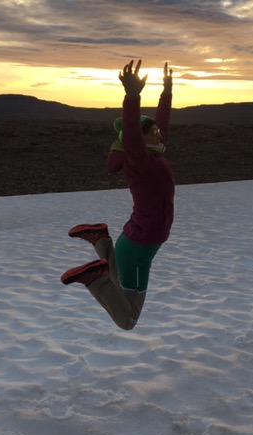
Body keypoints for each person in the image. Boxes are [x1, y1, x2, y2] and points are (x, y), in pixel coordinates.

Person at [60, 59, 175, 330]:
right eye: (153, 133)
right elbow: (133, 134)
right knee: (128, 318)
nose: (159, 135)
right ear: (138, 140)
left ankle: (99, 237)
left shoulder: (155, 154)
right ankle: (94, 278)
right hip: (139, 245)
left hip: (137, 241)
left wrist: (167, 91)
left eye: (158, 132)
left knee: (119, 276)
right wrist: (132, 96)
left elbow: (160, 125)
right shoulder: (140, 162)